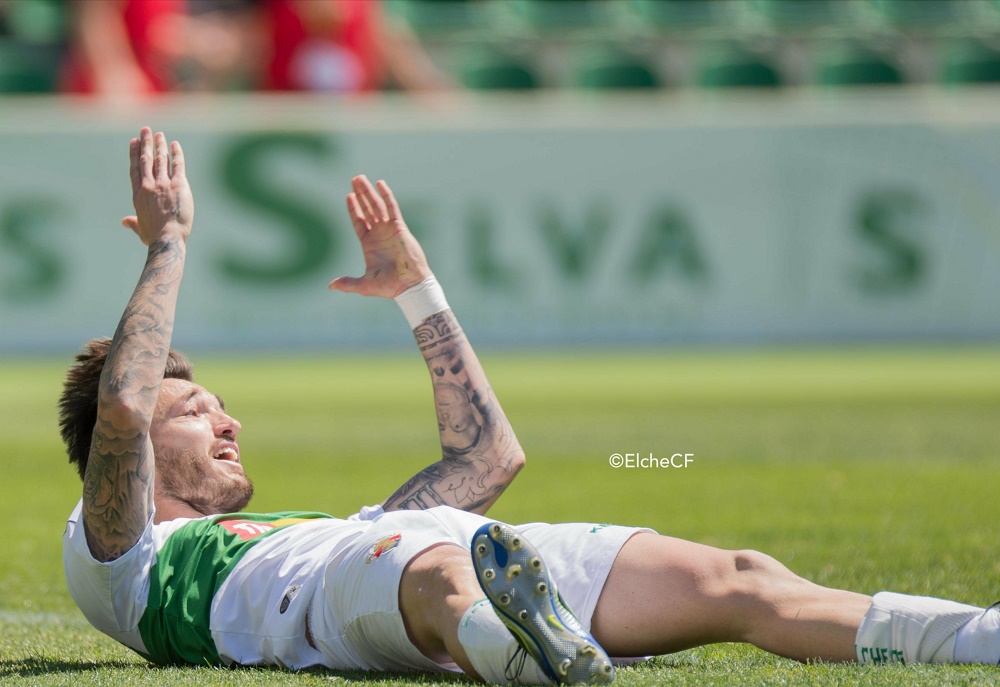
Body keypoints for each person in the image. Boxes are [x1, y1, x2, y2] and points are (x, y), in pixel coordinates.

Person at [61, 128, 1000, 685]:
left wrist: (420, 292)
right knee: (428, 567)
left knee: (741, 578)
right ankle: (516, 647)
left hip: (404, 547)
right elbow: (124, 412)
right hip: (342, 593)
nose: (228, 420)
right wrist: (170, 243)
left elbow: (492, 458)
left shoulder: (305, 525)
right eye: (200, 409)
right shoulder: (121, 555)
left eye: (223, 405)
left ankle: (978, 634)